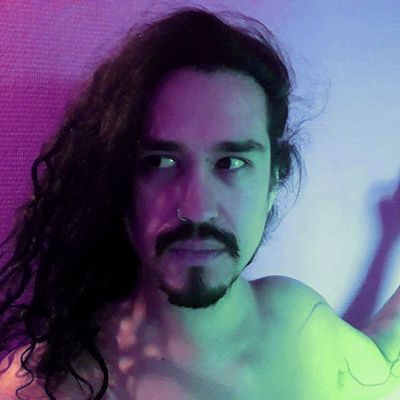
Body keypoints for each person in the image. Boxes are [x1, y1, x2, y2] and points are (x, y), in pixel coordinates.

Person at [0, 6, 399, 400]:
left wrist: (386, 243)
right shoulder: (43, 385)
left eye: (231, 163)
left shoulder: (297, 323)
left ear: (273, 181)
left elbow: (383, 366)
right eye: (160, 162)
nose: (196, 209)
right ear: (117, 179)